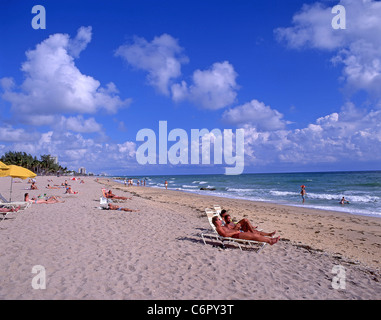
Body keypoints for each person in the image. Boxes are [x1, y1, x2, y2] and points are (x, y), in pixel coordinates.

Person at [212, 216, 280, 245]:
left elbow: (228, 231)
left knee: (255, 233)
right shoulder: (219, 228)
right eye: (219, 220)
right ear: (216, 222)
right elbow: (225, 235)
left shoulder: (222, 226)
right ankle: (270, 241)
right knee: (253, 235)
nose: (220, 220)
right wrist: (236, 231)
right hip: (235, 235)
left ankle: (269, 238)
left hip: (236, 233)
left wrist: (235, 229)